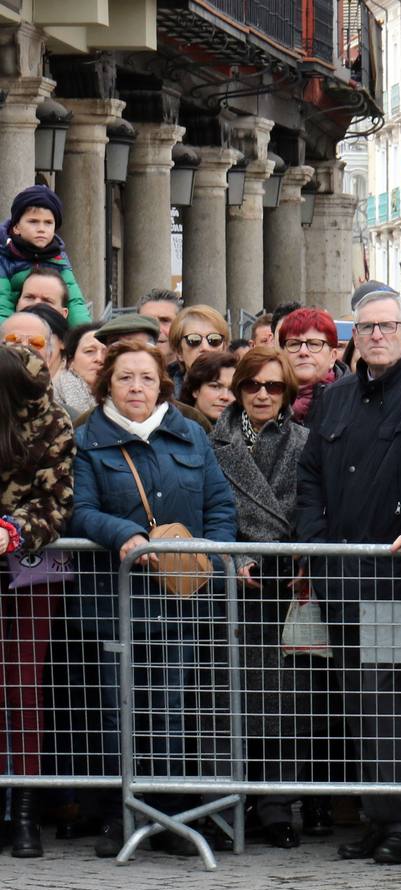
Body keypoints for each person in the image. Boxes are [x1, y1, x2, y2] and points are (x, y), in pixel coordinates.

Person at [296, 287, 401, 866]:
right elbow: (311, 477)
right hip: (341, 575)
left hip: (400, 576)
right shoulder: (335, 397)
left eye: (387, 326)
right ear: (353, 338)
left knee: (387, 704)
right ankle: (378, 818)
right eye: (365, 328)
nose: (375, 336)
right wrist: (315, 548)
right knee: (358, 706)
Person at [68, 339, 237, 858]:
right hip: (113, 604)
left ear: (161, 384)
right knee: (117, 713)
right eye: (124, 378)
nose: (136, 387)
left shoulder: (190, 434)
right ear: (107, 385)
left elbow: (219, 506)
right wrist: (122, 534)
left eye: (145, 377)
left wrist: (213, 556)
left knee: (169, 711)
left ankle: (169, 816)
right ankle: (122, 816)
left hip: (179, 602)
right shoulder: (86, 439)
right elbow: (78, 509)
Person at [205, 345, 316, 849]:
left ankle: (274, 805)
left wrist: (304, 559)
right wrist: (230, 559)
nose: (263, 395)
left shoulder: (307, 442)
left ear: (287, 391)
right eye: (254, 385)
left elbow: (316, 506)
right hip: (230, 585)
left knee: (282, 697)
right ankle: (226, 802)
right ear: (239, 389)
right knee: (224, 696)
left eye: (274, 386)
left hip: (284, 583)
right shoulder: (210, 442)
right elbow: (207, 510)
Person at [0, 344, 72, 859]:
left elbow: (58, 498)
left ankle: (25, 814)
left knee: (23, 689)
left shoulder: (52, 422)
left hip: (31, 570)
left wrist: (13, 529)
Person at [0, 186, 90, 324]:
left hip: (52, 329)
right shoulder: (4, 256)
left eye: (48, 223)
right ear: (16, 227)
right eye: (33, 221)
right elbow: (2, 304)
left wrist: (84, 334)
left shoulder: (59, 258)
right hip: (16, 333)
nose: (41, 229)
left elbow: (74, 302)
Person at [279, 307, 342, 421]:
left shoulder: (351, 401)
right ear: (282, 353)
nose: (303, 352)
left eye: (314, 344)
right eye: (294, 344)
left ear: (332, 356)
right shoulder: (264, 397)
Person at [168, 306, 231, 387]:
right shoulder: (162, 394)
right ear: (179, 351)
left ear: (224, 347)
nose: (205, 347)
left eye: (214, 339)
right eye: (194, 340)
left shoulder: (241, 392)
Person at [54, 321, 104, 420]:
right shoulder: (52, 401)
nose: (99, 358)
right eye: (89, 351)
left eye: (106, 352)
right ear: (70, 360)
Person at [178, 350, 239, 423]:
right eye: (215, 387)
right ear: (196, 390)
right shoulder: (174, 427)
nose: (225, 397)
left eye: (232, 390)